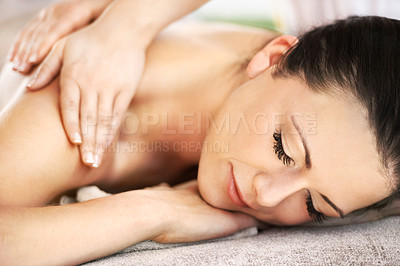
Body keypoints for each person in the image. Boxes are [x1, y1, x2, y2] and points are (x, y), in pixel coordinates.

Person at [1, 14, 400, 264]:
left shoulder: (288, 86)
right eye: (283, 147)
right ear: (272, 58)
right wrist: (155, 211)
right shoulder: (79, 117)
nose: (266, 196)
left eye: (314, 206)